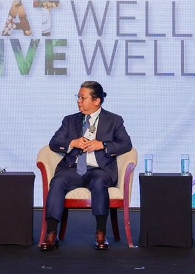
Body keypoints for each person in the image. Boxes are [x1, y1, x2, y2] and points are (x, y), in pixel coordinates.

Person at [40, 81, 133, 251]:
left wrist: (102, 145)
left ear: (96, 101)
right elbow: (54, 142)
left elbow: (126, 144)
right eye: (78, 97)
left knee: (99, 182)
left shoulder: (114, 120)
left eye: (83, 98)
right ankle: (51, 233)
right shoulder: (70, 120)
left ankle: (101, 233)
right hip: (73, 169)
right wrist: (73, 143)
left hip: (99, 169)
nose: (79, 101)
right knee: (58, 181)